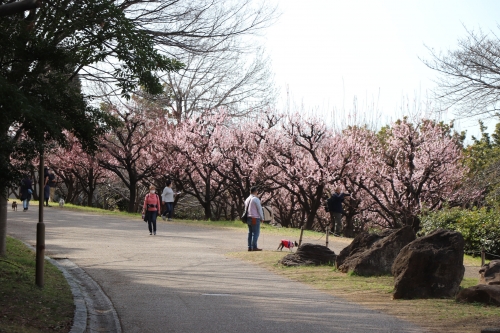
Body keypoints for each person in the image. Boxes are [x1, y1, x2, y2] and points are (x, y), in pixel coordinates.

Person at [244, 186, 265, 251]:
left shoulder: (247, 199)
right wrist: (262, 217)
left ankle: (249, 247)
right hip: (255, 218)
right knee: (256, 233)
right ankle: (254, 247)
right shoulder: (255, 199)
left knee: (250, 233)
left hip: (248, 218)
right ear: (255, 192)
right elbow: (259, 209)